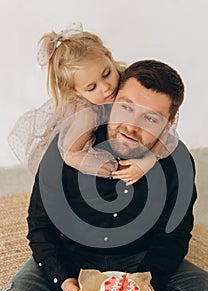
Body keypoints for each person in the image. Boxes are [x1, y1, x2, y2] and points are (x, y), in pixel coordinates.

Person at [0, 60, 208, 291]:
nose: (131, 126)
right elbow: (40, 224)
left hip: (139, 257)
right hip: (70, 253)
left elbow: (174, 233)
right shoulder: (68, 146)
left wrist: (149, 284)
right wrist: (64, 278)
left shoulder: (177, 162)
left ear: (169, 124)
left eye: (151, 118)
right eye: (126, 106)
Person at [8, 23, 176, 185]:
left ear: (109, 57)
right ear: (75, 92)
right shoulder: (86, 115)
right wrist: (113, 169)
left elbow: (163, 124)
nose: (106, 88)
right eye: (92, 87)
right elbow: (71, 155)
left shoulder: (126, 81)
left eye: (106, 73)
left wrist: (148, 160)